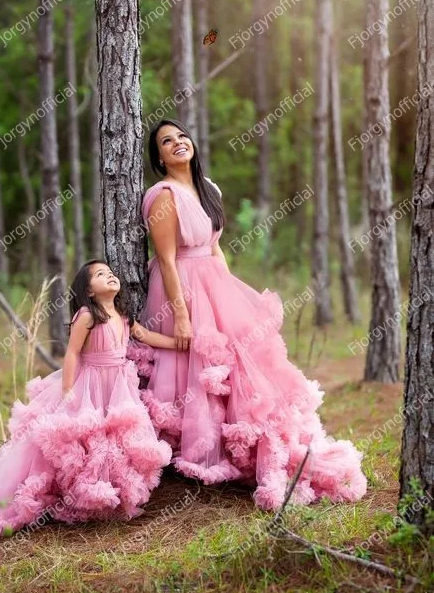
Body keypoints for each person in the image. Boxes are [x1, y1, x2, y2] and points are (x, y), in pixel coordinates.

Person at [137, 117, 367, 510]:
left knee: (236, 361)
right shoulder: (163, 195)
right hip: (180, 285)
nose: (177, 143)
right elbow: (167, 258)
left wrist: (229, 293)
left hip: (212, 280)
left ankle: (235, 446)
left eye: (181, 136)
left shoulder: (208, 190)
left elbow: (214, 246)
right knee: (191, 362)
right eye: (166, 141)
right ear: (159, 157)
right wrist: (183, 313)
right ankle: (188, 449)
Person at [0, 260, 175, 536]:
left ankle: (105, 495)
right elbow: (73, 353)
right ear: (89, 289)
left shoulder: (123, 315)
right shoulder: (87, 315)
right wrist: (67, 389)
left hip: (118, 385)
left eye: (110, 272)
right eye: (100, 274)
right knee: (81, 438)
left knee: (112, 440)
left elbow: (145, 336)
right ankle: (62, 496)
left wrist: (178, 342)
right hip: (89, 383)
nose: (109, 275)